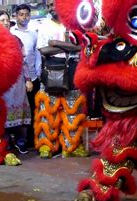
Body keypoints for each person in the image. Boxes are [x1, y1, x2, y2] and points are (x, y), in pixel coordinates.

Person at [33, 0, 87, 158]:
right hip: (52, 68)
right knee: (48, 108)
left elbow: (80, 47)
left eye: (53, 4)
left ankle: (71, 146)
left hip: (73, 68)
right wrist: (67, 45)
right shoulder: (44, 25)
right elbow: (44, 50)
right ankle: (46, 146)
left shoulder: (75, 24)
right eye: (48, 5)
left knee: (73, 108)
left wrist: (55, 43)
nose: (51, 7)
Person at [0, 10, 31, 154]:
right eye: (2, 20)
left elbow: (24, 62)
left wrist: (28, 80)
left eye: (7, 20)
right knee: (3, 113)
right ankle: (6, 142)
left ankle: (21, 142)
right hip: (1, 83)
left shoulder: (16, 40)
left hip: (17, 83)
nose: (5, 23)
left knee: (20, 111)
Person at [11, 4, 42, 150]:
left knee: (33, 108)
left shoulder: (34, 34)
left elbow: (36, 55)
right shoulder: (10, 32)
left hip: (33, 77)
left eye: (26, 14)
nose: (24, 17)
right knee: (18, 108)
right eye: (21, 14)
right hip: (18, 79)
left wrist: (38, 72)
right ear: (16, 16)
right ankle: (17, 139)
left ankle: (31, 140)